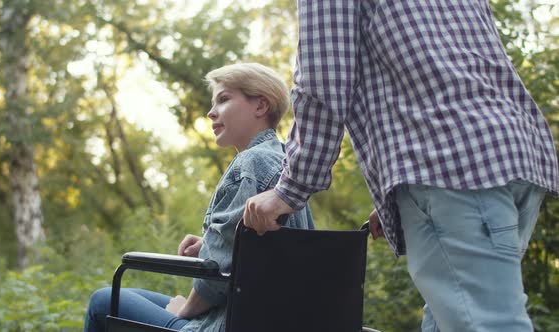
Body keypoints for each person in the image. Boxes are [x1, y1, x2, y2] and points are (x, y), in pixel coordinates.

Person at [242, 1, 558, 331]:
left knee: (485, 323)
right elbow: (456, 56)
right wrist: (407, 192)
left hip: (448, 163)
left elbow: (324, 78)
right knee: (453, 317)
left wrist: (290, 189)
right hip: (510, 152)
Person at [83, 63, 315, 332]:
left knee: (102, 301)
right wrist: (209, 244)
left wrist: (185, 310)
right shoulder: (290, 170)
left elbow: (214, 280)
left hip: (230, 323)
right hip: (276, 318)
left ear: (260, 106)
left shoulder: (251, 164)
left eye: (224, 99)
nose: (210, 112)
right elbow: (263, 251)